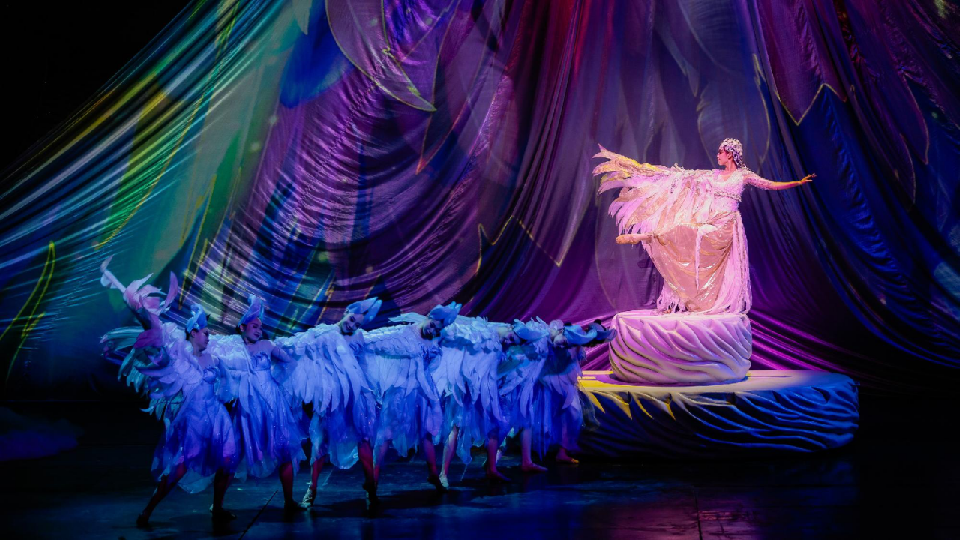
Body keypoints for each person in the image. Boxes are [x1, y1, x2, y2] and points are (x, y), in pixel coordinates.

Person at [594, 139, 814, 314]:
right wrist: (651, 174)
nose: (717, 155)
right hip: (709, 220)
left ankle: (651, 238)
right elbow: (685, 177)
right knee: (682, 232)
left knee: (692, 234)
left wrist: (797, 182)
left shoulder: (743, 175)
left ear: (730, 154)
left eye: (720, 152)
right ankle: (651, 238)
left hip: (725, 225)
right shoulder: (714, 175)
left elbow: (769, 184)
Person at [99, 259, 237, 526]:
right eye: (205, 332)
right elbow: (152, 325)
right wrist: (129, 297)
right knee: (179, 467)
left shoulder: (214, 358)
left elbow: (228, 384)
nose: (209, 336)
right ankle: (148, 510)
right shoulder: (181, 358)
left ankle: (217, 506)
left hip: (217, 418)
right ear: (193, 333)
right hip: (194, 421)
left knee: (228, 460)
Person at [275, 298, 381, 508]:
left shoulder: (359, 337)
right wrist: (274, 347)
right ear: (346, 312)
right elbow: (301, 344)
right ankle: (312, 488)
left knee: (364, 438)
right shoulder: (325, 334)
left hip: (356, 397)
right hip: (332, 399)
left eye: (357, 324)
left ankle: (371, 487)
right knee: (321, 441)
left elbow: (364, 361)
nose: (352, 326)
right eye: (351, 320)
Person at [209, 295, 306, 512]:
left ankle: (289, 501)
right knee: (232, 455)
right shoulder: (235, 349)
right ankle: (217, 506)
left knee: (284, 450)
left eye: (260, 327)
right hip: (247, 408)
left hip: (272, 405)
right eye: (254, 326)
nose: (258, 330)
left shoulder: (267, 345)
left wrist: (274, 381)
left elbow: (290, 363)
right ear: (242, 327)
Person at [361, 302, 461, 503]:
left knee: (426, 433)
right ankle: (374, 479)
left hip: (422, 393)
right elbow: (379, 339)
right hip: (400, 393)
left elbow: (432, 364)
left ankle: (433, 474)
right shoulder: (403, 334)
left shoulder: (434, 340)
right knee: (386, 433)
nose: (433, 330)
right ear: (428, 317)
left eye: (437, 329)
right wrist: (355, 341)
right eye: (432, 325)